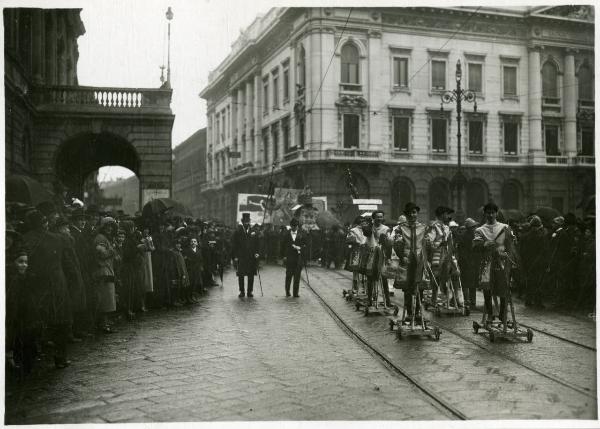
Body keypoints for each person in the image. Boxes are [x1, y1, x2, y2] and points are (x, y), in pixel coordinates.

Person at [22, 210, 75, 368]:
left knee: (33, 321)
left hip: (33, 285)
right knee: (61, 321)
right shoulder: (57, 238)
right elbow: (69, 252)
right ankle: (60, 358)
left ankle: (31, 358)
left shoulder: (25, 239)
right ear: (45, 223)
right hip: (56, 284)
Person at [473, 202, 518, 327]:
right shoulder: (480, 230)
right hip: (487, 262)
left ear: (496, 213)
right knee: (487, 288)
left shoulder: (505, 227)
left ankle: (503, 314)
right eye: (488, 212)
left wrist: (508, 255)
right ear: (485, 214)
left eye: (493, 212)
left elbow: (512, 245)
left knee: (504, 288)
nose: (491, 215)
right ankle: (489, 314)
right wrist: (483, 244)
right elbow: (475, 246)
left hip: (502, 262)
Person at [391, 202, 429, 321]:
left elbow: (427, 244)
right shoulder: (400, 228)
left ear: (417, 214)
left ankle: (417, 312)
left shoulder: (424, 227)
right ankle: (409, 312)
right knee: (407, 288)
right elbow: (397, 244)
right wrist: (402, 256)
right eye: (410, 213)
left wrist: (427, 257)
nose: (412, 215)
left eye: (414, 212)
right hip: (406, 260)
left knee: (420, 287)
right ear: (406, 215)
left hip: (419, 260)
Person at [93, 217, 119, 333]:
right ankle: (103, 324)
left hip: (107, 270)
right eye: (107, 226)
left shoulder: (106, 238)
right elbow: (102, 254)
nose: (109, 229)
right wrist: (113, 251)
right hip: (102, 271)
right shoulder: (100, 238)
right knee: (104, 298)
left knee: (108, 298)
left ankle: (106, 322)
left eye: (111, 227)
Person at [519, 215, 549, 308]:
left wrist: (524, 261)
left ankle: (528, 300)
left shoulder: (524, 236)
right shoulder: (542, 237)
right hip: (538, 263)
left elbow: (521, 251)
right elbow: (545, 251)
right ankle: (538, 302)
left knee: (530, 282)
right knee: (538, 282)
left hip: (527, 263)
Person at [232, 213, 260, 298]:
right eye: (245, 222)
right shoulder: (238, 232)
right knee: (241, 274)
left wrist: (257, 253)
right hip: (241, 256)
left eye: (248, 221)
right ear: (242, 222)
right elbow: (234, 245)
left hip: (251, 257)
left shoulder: (254, 231)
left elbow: (257, 244)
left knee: (251, 274)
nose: (246, 223)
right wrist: (235, 256)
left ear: (249, 222)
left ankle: (249, 291)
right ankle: (242, 291)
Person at [281, 218, 307, 297]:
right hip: (289, 258)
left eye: (296, 226)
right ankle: (287, 291)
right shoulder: (286, 234)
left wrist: (300, 248)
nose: (294, 228)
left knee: (297, 276)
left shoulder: (302, 234)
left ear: (297, 226)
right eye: (293, 226)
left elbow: (306, 245)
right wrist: (283, 256)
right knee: (288, 275)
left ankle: (295, 293)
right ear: (291, 226)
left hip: (298, 258)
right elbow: (282, 246)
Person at [372, 210, 392, 305]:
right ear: (374, 218)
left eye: (381, 217)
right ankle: (372, 298)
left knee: (384, 278)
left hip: (382, 255)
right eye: (377, 217)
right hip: (371, 255)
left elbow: (389, 242)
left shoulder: (386, 228)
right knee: (372, 277)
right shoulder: (370, 228)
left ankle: (387, 300)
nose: (379, 218)